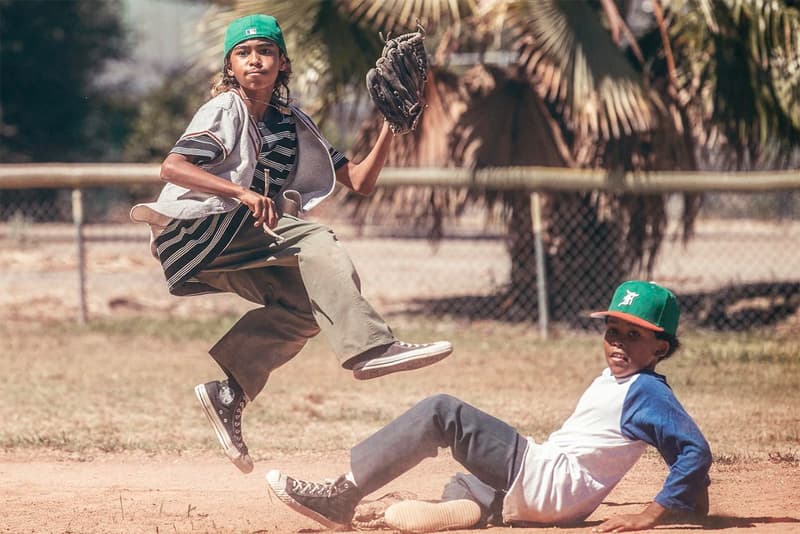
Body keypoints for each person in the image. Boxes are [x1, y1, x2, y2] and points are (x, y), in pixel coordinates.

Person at [129, 14, 452, 474]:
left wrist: (389, 126)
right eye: (243, 53)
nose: (254, 60)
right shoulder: (224, 109)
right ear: (230, 66)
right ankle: (370, 347)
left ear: (283, 63)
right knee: (317, 240)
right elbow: (172, 167)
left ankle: (229, 393)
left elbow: (359, 181)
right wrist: (242, 192)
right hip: (199, 230)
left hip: (238, 240)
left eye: (265, 52)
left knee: (305, 308)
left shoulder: (291, 122)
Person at [266, 280, 712, 532]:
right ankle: (470, 508)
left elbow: (694, 451)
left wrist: (651, 514)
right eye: (613, 331)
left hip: (548, 478)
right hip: (559, 500)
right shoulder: (630, 382)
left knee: (443, 411)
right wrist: (691, 504)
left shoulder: (647, 391)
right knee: (469, 479)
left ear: (662, 347)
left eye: (634, 335)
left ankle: (341, 495)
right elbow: (680, 451)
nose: (618, 343)